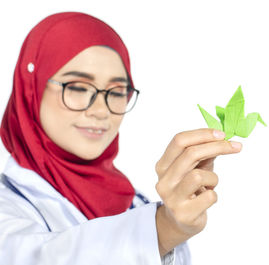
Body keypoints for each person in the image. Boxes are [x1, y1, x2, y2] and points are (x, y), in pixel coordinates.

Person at [0, 11, 242, 265]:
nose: (101, 111)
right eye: (79, 87)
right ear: (31, 89)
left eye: (117, 91)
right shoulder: (9, 207)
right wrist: (162, 230)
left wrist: (166, 228)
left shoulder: (134, 203)